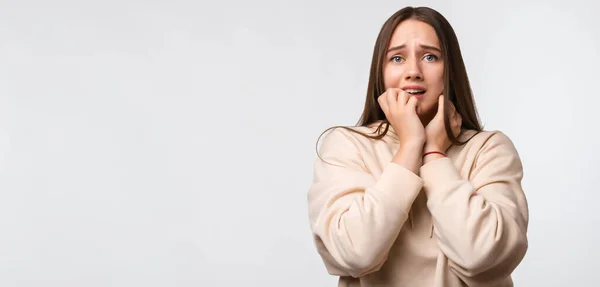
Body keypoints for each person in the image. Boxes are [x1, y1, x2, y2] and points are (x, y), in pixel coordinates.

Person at [306, 6, 529, 287]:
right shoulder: (348, 146)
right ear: (381, 72)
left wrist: (434, 153)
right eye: (397, 58)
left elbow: (483, 258)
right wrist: (411, 144)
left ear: (450, 69)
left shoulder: (489, 149)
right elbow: (353, 254)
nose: (413, 71)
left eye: (430, 56)